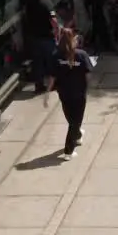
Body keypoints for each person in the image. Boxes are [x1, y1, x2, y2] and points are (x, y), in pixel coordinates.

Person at [45, 28, 91, 160]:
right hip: (79, 93)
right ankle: (68, 151)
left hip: (64, 93)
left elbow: (52, 77)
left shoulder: (56, 56)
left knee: (71, 118)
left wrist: (47, 93)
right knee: (75, 121)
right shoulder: (81, 55)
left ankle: (77, 135)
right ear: (73, 39)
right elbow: (88, 74)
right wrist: (87, 87)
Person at [24, 0, 59, 91]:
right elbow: (53, 20)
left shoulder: (29, 3)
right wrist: (57, 32)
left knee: (37, 62)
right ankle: (52, 84)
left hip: (34, 37)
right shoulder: (47, 2)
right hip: (46, 37)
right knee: (51, 60)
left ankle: (38, 85)